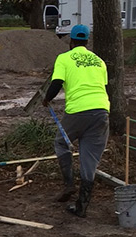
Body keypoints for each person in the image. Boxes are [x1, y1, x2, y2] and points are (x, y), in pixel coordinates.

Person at [42, 24, 110, 217]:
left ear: (71, 41)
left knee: (61, 142)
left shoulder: (64, 58)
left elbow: (56, 83)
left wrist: (47, 99)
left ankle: (68, 184)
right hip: (101, 111)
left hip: (78, 111)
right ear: (87, 41)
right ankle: (82, 205)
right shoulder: (99, 61)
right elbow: (102, 86)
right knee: (89, 158)